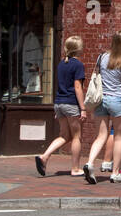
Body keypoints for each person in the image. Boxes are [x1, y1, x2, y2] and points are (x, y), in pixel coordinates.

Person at [82, 31, 121, 185]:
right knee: (119, 137)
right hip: (117, 101)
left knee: (101, 136)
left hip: (101, 100)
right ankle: (115, 173)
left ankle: (90, 163)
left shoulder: (102, 57)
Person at [36, 36, 85, 177]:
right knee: (77, 136)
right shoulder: (78, 65)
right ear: (78, 49)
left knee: (64, 135)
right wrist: (83, 108)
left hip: (59, 103)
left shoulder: (61, 64)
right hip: (71, 103)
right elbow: (77, 87)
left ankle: (44, 156)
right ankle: (75, 168)